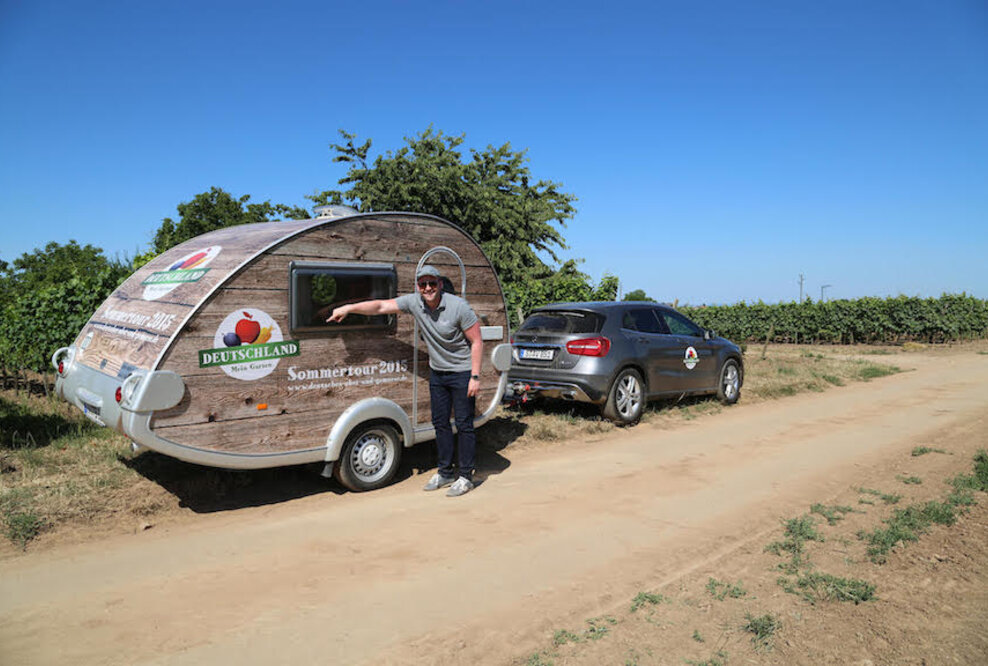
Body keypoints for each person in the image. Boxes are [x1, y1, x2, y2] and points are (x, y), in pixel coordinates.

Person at [326, 265, 483, 497]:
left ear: (440, 284)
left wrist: (475, 376)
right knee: (440, 423)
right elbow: (380, 306)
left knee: (464, 424)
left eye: (432, 283)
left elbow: (477, 341)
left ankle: (466, 476)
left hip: (461, 372)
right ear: (417, 287)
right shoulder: (414, 302)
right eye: (423, 284)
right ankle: (445, 472)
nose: (427, 288)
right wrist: (348, 308)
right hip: (438, 373)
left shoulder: (458, 307)